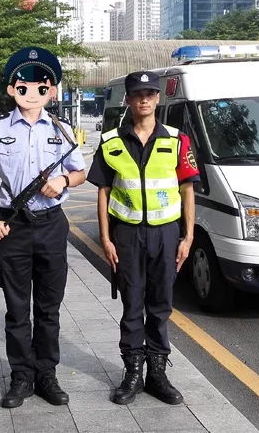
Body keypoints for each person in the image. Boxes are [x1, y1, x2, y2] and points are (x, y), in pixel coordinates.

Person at [0, 47, 86, 408]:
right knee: (17, 309)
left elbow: (80, 172)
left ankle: (46, 374)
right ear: (11, 89)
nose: (32, 92)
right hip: (12, 227)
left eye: (40, 86)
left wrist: (63, 180)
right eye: (23, 85)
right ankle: (21, 377)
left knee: (49, 308)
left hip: (51, 226)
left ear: (51, 91)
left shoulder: (62, 130)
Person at [86, 70, 199, 406]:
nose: (144, 99)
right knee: (132, 306)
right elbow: (103, 192)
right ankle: (133, 372)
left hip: (166, 234)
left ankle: (157, 374)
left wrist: (188, 237)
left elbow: (187, 190)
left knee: (161, 306)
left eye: (150, 94)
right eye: (138, 94)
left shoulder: (177, 140)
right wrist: (105, 239)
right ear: (128, 99)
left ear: (158, 98)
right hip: (127, 235)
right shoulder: (111, 142)